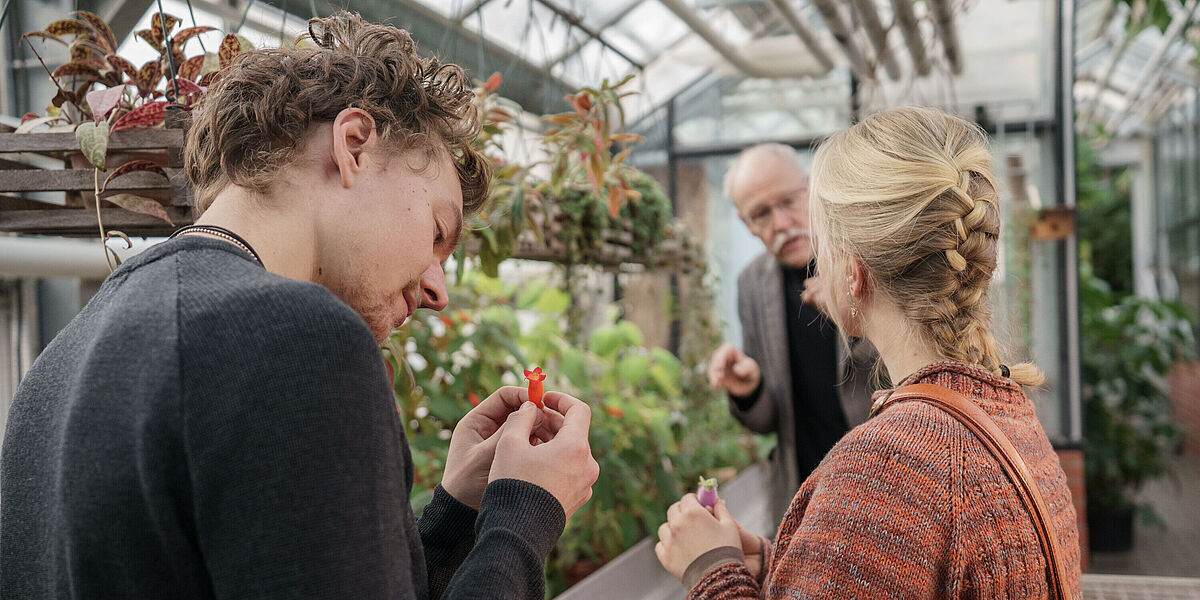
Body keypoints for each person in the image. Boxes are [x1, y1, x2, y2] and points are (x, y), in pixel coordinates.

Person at [0, 13, 599, 600]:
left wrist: (458, 512)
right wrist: (526, 513)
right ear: (355, 146)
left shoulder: (53, 371)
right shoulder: (299, 339)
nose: (438, 290)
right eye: (438, 230)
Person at [658, 107, 1082, 599]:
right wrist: (789, 565)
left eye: (821, 233)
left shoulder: (885, 467)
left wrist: (709, 569)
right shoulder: (1011, 417)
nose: (790, 228)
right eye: (760, 213)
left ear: (853, 273)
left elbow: (888, 502)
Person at [708, 143, 877, 523]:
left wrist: (850, 310)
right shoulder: (753, 283)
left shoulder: (864, 256)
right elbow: (770, 420)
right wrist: (748, 389)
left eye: (788, 201)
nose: (781, 223)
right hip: (806, 495)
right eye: (762, 214)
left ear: (812, 189)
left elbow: (906, 369)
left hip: (884, 479)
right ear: (745, 224)